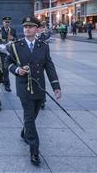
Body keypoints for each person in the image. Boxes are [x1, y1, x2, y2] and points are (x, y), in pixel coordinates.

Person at [6, 16, 61, 166]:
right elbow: (8, 62)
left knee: (34, 115)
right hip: (24, 87)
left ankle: (25, 132)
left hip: (39, 87)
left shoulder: (43, 46)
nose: (27, 29)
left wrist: (56, 86)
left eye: (30, 27)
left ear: (37, 29)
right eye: (25, 27)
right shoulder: (16, 46)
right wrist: (17, 69)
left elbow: (49, 66)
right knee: (29, 117)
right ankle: (34, 151)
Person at [0, 16, 17, 92]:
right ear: (3, 23)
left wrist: (13, 38)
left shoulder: (12, 30)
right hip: (2, 52)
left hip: (9, 52)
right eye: (5, 22)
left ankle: (7, 85)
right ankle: (4, 81)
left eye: (8, 22)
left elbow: (16, 39)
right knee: (3, 69)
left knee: (6, 69)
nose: (7, 24)